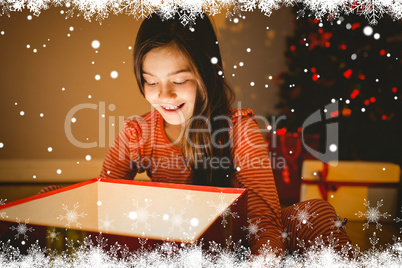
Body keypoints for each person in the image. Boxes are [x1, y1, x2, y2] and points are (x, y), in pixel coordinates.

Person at [43, 8, 353, 257]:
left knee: (314, 214)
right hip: (177, 240)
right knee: (52, 202)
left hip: (239, 239)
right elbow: (105, 204)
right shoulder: (137, 133)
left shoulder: (239, 129)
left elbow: (264, 222)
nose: (164, 95)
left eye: (178, 81)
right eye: (150, 81)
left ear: (205, 73)